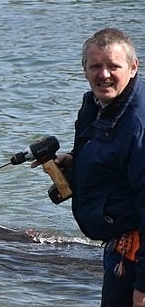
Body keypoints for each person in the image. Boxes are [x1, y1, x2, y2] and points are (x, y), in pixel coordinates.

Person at [43, 28, 144, 306]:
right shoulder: (97, 105)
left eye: (113, 66)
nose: (104, 74)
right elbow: (115, 160)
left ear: (133, 67)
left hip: (133, 253)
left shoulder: (138, 125)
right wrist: (78, 161)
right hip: (116, 244)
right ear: (84, 69)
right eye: (96, 66)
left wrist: (143, 287)